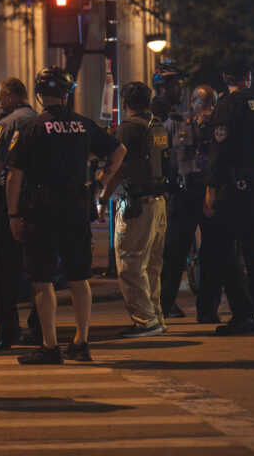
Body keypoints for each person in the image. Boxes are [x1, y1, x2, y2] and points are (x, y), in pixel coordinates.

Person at [6, 67, 126, 364]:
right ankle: (81, 343)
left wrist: (13, 215)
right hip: (76, 207)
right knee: (78, 276)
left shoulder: (31, 128)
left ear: (39, 93)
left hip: (42, 210)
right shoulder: (84, 125)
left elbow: (13, 177)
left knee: (43, 280)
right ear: (66, 93)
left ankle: (49, 346)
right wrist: (99, 184)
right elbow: (119, 151)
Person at [204, 59, 254, 334]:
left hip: (237, 187)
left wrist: (212, 188)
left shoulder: (228, 105)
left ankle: (243, 313)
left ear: (226, 77)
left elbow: (220, 149)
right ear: (249, 75)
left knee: (223, 247)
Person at [100, 81, 170, 337]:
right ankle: (156, 317)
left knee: (130, 264)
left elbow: (119, 169)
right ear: (149, 102)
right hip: (158, 202)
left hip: (136, 205)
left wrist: (102, 195)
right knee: (151, 265)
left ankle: (145, 321)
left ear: (125, 103)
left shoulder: (128, 129)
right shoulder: (157, 125)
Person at [160, 85, 227, 322]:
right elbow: (162, 157)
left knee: (212, 253)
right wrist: (166, 193)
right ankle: (164, 306)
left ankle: (208, 310)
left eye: (211, 103)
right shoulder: (174, 123)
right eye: (203, 103)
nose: (207, 109)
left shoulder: (220, 126)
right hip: (183, 195)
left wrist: (208, 128)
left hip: (211, 197)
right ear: (192, 101)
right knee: (173, 254)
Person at [0, 77, 37, 351]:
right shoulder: (39, 120)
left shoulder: (7, 123)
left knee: (3, 271)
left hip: (10, 201)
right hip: (39, 201)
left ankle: (8, 331)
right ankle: (40, 328)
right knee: (38, 270)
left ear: (8, 95)